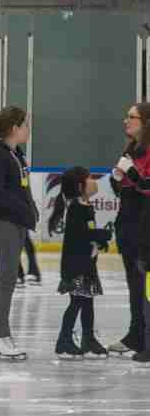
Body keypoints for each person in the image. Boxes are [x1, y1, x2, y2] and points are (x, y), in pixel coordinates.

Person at [0, 106, 35, 360]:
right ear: (14, 128)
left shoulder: (15, 154)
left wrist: (28, 210)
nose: (28, 130)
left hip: (16, 221)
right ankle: (0, 334)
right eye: (25, 125)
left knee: (6, 278)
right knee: (6, 278)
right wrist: (24, 209)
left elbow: (21, 187)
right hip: (4, 222)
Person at [48, 167, 113, 358]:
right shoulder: (77, 207)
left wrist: (99, 241)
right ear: (80, 186)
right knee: (77, 302)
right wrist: (101, 235)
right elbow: (81, 235)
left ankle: (88, 338)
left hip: (86, 264)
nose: (94, 181)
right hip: (76, 266)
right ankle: (64, 340)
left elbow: (87, 233)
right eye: (90, 178)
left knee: (87, 302)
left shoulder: (86, 205)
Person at [108, 103, 150, 355]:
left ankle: (144, 336)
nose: (126, 121)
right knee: (134, 285)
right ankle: (136, 333)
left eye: (131, 117)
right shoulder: (131, 150)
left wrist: (130, 172)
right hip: (127, 224)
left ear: (145, 122)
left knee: (143, 285)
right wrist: (117, 179)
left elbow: (146, 187)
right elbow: (126, 191)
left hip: (144, 227)